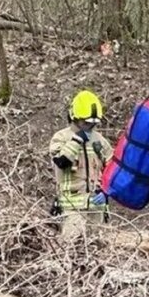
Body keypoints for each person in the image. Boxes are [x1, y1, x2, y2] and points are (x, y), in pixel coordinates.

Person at [49, 90, 113, 242]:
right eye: (86, 123)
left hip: (96, 209)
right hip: (72, 209)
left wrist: (106, 192)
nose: (90, 127)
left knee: (99, 250)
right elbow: (61, 162)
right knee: (72, 249)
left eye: (93, 123)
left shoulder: (101, 141)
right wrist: (76, 140)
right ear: (75, 118)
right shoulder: (61, 138)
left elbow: (112, 170)